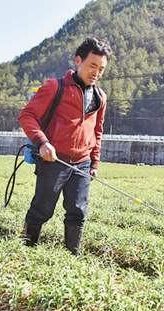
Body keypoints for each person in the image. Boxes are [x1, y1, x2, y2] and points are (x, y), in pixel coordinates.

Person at [18, 37, 112, 255]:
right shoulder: (55, 87)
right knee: (42, 208)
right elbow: (27, 116)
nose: (96, 73)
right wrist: (42, 142)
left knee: (78, 211)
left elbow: (97, 131)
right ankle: (25, 249)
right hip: (54, 159)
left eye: (101, 69)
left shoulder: (100, 97)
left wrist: (95, 162)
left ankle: (73, 256)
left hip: (82, 163)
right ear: (78, 61)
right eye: (92, 66)